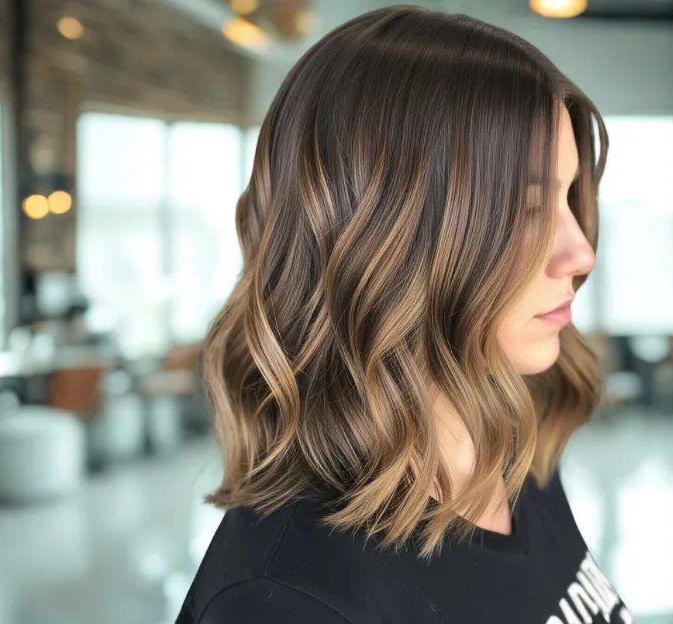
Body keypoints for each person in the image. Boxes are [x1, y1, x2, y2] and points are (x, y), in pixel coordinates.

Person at [177, 6, 631, 624]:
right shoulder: (287, 602)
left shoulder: (510, 446)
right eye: (528, 210)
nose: (581, 253)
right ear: (389, 241)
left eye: (569, 198)